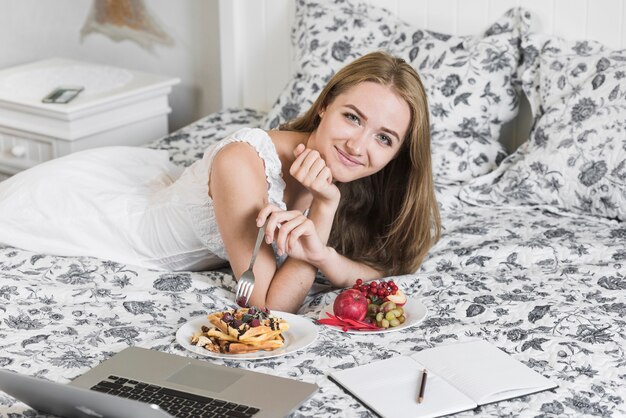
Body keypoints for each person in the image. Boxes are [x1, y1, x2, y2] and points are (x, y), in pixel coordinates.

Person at [0, 51, 440, 313]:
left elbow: (387, 265)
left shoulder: (353, 173)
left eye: (384, 138)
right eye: (352, 116)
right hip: (106, 221)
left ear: (398, 152)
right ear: (325, 105)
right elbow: (270, 307)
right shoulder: (243, 163)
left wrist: (325, 255)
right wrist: (323, 210)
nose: (359, 145)